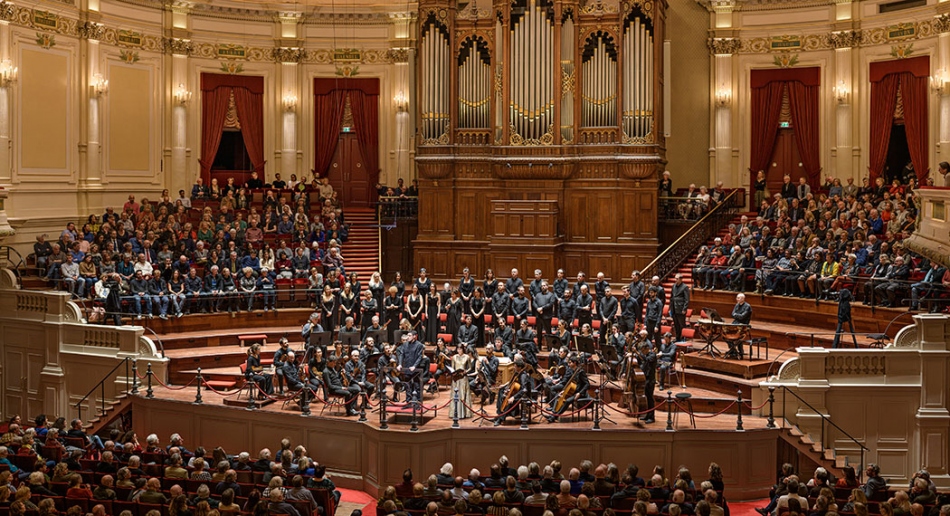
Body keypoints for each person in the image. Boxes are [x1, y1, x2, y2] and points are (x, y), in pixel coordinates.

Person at [397, 331, 426, 402]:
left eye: (409, 335)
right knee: (407, 385)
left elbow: (420, 357)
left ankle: (418, 402)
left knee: (417, 386)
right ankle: (408, 401)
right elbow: (402, 354)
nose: (408, 337)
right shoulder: (405, 344)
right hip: (407, 367)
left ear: (414, 336)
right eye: (407, 335)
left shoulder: (419, 345)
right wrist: (400, 364)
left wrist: (414, 366)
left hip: (416, 369)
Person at [449, 342, 473, 419]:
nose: (459, 350)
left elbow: (470, 367)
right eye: (458, 349)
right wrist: (453, 373)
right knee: (455, 394)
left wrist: (466, 371)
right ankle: (455, 413)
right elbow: (452, 368)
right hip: (456, 378)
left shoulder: (467, 357)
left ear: (463, 349)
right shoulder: (454, 357)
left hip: (463, 378)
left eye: (460, 349)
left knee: (463, 394)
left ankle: (464, 413)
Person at [638, 341, 657, 424]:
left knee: (650, 399)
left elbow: (646, 359)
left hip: (651, 380)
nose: (642, 352)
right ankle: (647, 415)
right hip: (646, 379)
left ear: (647, 348)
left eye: (643, 350)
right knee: (647, 398)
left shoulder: (652, 355)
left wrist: (637, 352)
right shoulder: (646, 355)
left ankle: (652, 417)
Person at [669, 274, 690, 343]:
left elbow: (687, 299)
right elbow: (671, 297)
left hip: (680, 308)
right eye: (675, 279)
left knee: (682, 324)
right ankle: (677, 337)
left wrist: (684, 309)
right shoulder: (673, 286)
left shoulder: (685, 287)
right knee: (676, 324)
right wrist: (670, 308)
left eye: (677, 279)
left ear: (681, 279)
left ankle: (683, 337)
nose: (676, 280)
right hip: (674, 308)